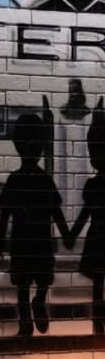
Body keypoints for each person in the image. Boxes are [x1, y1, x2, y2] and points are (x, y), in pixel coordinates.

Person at [0, 113, 70, 336]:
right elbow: (55, 211)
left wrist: (1, 241)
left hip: (22, 242)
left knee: (22, 286)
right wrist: (66, 233)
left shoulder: (15, 180)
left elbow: (5, 214)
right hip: (39, 241)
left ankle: (26, 322)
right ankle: (38, 301)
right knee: (39, 280)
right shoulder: (44, 180)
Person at [67, 98, 105, 334]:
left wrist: (70, 234)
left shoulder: (93, 186)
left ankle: (98, 324)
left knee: (98, 283)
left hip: (98, 239)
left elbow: (84, 215)